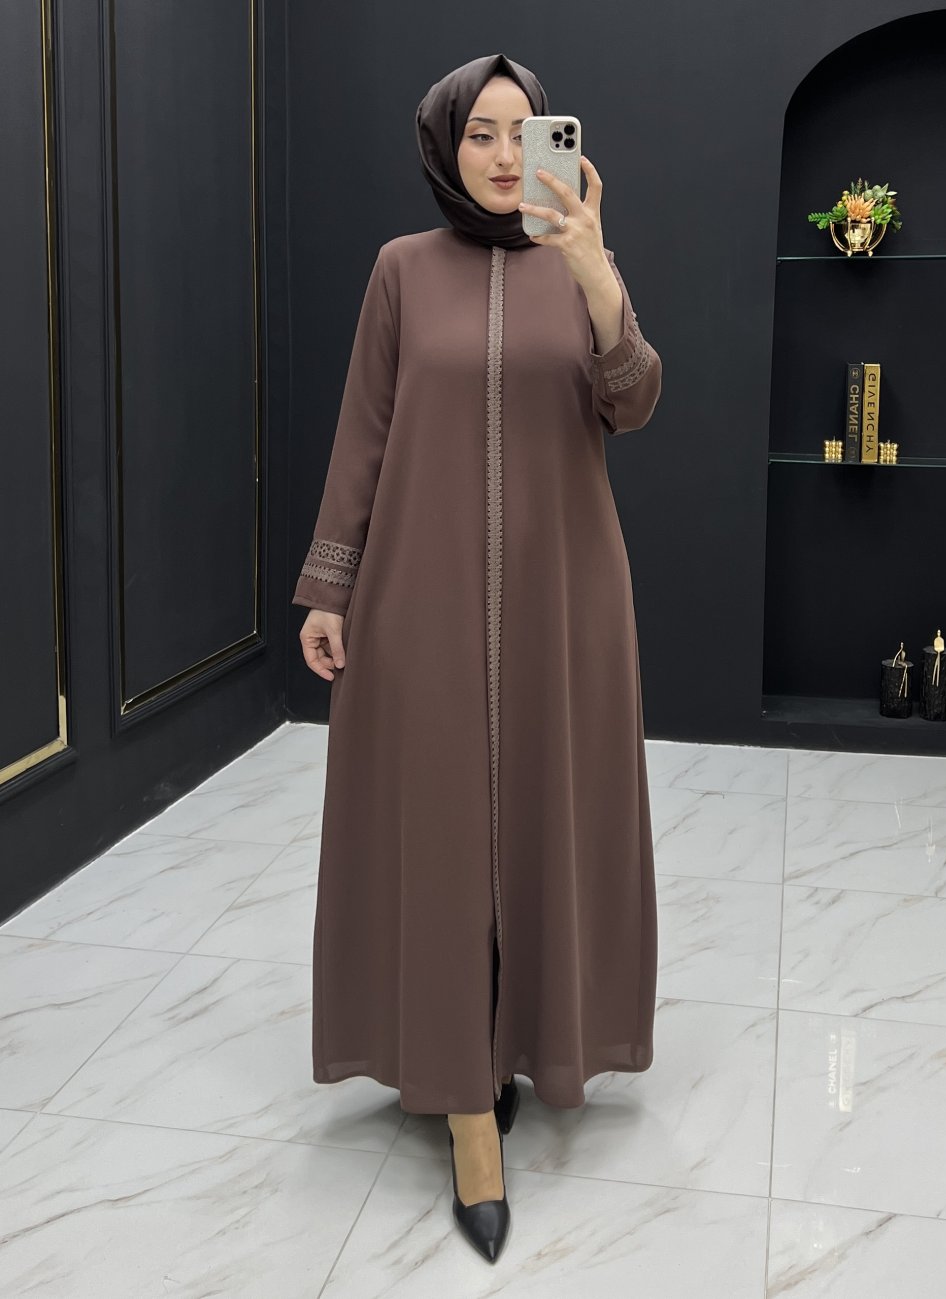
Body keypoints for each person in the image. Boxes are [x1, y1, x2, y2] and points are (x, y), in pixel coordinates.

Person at [292, 52, 662, 1264]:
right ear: (445, 148)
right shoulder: (402, 271)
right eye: (481, 135)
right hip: (421, 601)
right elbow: (364, 432)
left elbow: (634, 400)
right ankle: (463, 1107)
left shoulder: (578, 263)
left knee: (547, 824)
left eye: (526, 131)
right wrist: (329, 585)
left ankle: (528, 1045)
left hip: (565, 600)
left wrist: (596, 273)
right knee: (442, 841)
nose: (506, 156)